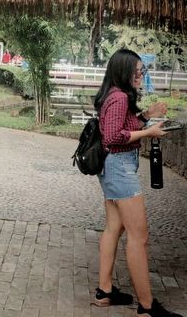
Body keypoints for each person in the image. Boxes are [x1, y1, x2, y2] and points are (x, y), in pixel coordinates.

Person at [92, 49, 182, 317]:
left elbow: (121, 125)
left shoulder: (113, 94)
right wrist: (150, 131)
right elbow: (113, 137)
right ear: (125, 71)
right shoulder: (119, 97)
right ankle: (146, 306)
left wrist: (146, 115)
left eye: (142, 70)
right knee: (139, 237)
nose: (141, 74)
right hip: (119, 168)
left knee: (113, 229)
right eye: (138, 70)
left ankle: (104, 291)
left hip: (111, 166)